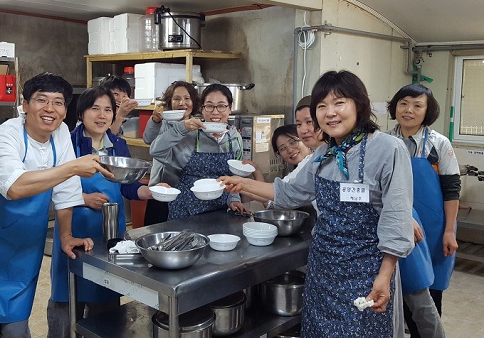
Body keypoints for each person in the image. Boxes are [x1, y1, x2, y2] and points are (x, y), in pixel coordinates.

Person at [220, 70, 414, 337]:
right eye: (322, 106)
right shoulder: (323, 155)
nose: (330, 113)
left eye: (339, 103)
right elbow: (289, 193)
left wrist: (385, 275)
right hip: (322, 269)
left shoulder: (388, 149)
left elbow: (396, 216)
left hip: (366, 271)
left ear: (359, 104)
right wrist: (241, 183)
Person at [0, 72, 112, 337]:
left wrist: (66, 236)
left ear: (65, 110)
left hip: (21, 252)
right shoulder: (6, 136)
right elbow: (15, 187)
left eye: (58, 102)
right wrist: (73, 167)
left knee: (15, 328)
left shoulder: (61, 133)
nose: (49, 109)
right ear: (24, 104)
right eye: (41, 100)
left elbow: (65, 191)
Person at [46, 86, 160, 337]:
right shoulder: (67, 142)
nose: (102, 115)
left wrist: (150, 192)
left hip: (109, 235)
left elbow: (127, 187)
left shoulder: (117, 144)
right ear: (81, 113)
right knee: (66, 304)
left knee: (105, 308)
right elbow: (52, 185)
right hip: (74, 234)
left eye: (108, 109)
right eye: (94, 108)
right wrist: (83, 198)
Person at [388, 83, 460, 337]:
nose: (409, 110)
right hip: (397, 225)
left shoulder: (439, 144)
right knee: (399, 291)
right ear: (395, 106)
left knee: (430, 294)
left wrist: (449, 230)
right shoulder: (384, 142)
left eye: (417, 105)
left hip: (434, 229)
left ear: (427, 111)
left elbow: (451, 190)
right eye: (403, 103)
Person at [150, 83, 249, 220]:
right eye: (209, 106)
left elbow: (234, 175)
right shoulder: (189, 135)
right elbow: (156, 151)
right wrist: (181, 128)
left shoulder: (234, 137)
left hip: (220, 210)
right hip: (185, 211)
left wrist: (234, 199)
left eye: (221, 106)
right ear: (202, 109)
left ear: (230, 109)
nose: (215, 112)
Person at [143, 81, 201, 225]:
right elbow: (148, 139)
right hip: (160, 190)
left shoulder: (197, 126)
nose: (182, 103)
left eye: (187, 98)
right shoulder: (164, 123)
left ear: (193, 102)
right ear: (169, 102)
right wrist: (154, 121)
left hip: (186, 193)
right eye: (176, 99)